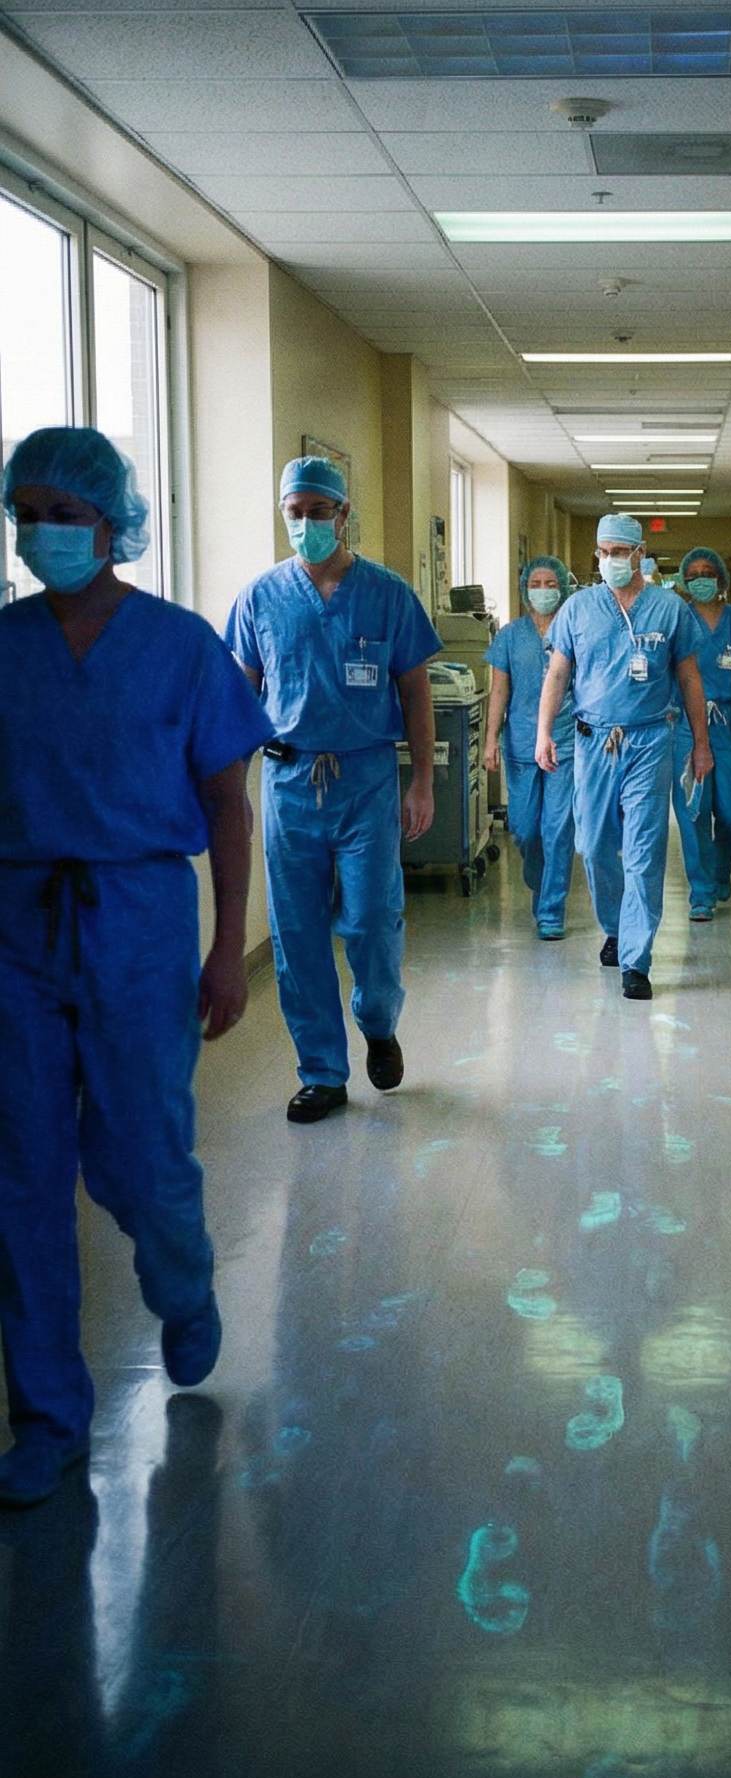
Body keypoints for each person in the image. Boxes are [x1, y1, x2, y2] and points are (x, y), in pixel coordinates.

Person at [0, 427, 274, 1505]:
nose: (43, 534)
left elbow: (226, 807)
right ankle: (48, 1419)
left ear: (112, 526)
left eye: (64, 516)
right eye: (26, 515)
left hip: (139, 920)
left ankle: (183, 1285)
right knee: (22, 1176)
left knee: (140, 1161)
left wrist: (228, 948)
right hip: (17, 926)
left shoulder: (181, 645)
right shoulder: (6, 646)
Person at [226, 456, 440, 1121]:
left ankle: (377, 1019)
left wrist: (423, 781)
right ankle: (321, 1070)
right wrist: (232, 792)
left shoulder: (387, 594)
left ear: (344, 514)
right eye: (294, 512)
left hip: (366, 779)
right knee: (296, 934)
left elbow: (416, 692)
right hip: (289, 781)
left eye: (318, 511)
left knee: (373, 921)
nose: (306, 523)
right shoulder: (260, 598)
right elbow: (243, 700)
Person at [535, 515, 710, 1000]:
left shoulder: (669, 609)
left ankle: (636, 957)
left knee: (643, 852)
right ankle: (615, 926)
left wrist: (701, 743)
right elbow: (557, 675)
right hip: (592, 741)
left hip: (651, 739)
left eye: (618, 551)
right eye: (603, 552)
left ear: (639, 554)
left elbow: (690, 678)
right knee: (593, 845)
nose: (609, 560)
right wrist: (543, 732)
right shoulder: (578, 609)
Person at [667, 547, 731, 922]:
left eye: (708, 573)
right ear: (684, 580)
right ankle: (702, 892)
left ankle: (719, 871)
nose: (701, 579)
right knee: (693, 810)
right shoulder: (678, 619)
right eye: (693, 574)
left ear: (721, 579)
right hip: (685, 724)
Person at [483, 555, 579, 940]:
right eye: (535, 584)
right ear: (524, 590)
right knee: (525, 828)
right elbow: (499, 691)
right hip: (521, 741)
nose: (543, 590)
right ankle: (540, 883)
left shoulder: (574, 630)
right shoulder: (510, 636)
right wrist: (490, 739)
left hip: (566, 739)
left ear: (563, 588)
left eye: (550, 584)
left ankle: (551, 909)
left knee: (558, 827)